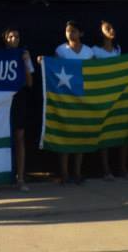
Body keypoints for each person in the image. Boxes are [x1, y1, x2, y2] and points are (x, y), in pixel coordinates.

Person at [39, 20, 94, 185]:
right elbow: (54, 68)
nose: (70, 33)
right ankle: (64, 173)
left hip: (83, 100)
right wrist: (44, 61)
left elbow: (93, 72)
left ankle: (77, 173)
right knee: (65, 137)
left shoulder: (89, 51)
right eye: (68, 30)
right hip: (65, 100)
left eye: (74, 31)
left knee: (80, 137)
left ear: (81, 33)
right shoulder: (61, 50)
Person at [92, 20, 128, 180]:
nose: (112, 30)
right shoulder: (94, 50)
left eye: (113, 27)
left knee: (122, 131)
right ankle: (106, 170)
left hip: (119, 97)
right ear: (100, 32)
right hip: (102, 97)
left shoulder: (118, 49)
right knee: (105, 133)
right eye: (108, 28)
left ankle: (122, 168)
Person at [3, 27, 35, 192]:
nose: (14, 39)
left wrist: (25, 62)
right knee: (2, 139)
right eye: (11, 36)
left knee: (19, 138)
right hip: (2, 102)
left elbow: (29, 83)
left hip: (19, 100)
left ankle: (20, 178)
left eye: (17, 36)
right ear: (5, 39)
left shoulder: (24, 55)